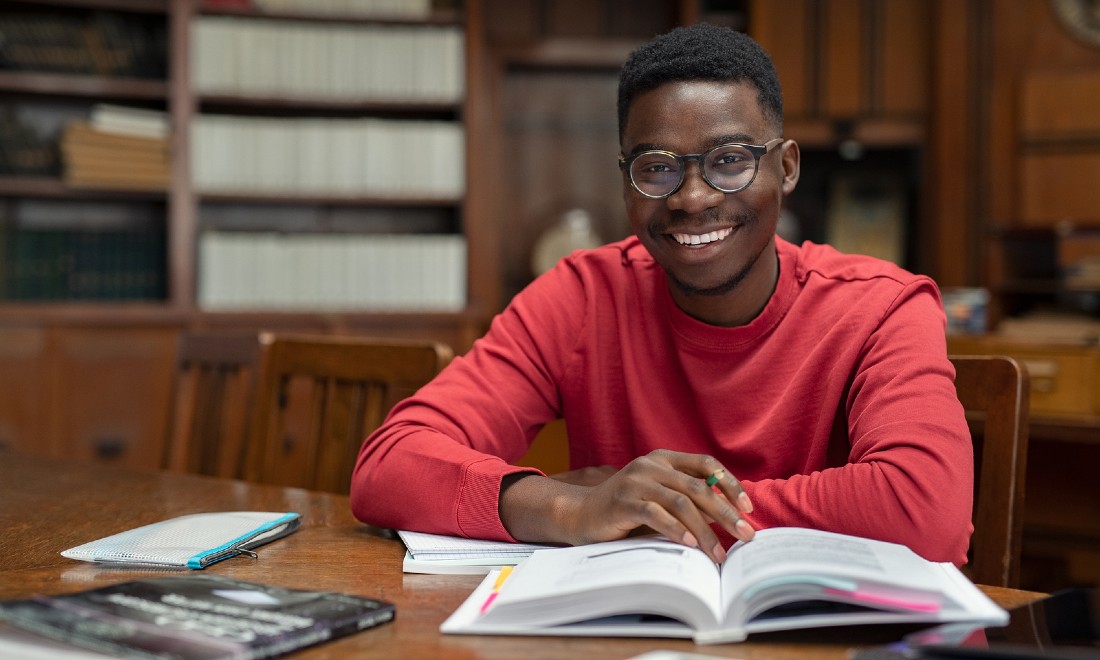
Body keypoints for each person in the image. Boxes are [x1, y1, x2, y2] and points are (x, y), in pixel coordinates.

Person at [350, 23, 972, 567]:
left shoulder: (883, 307)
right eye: (657, 168)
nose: (691, 198)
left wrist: (662, 510)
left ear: (785, 168)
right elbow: (390, 466)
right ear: (625, 180)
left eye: (730, 161)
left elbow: (926, 509)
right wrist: (572, 508)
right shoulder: (582, 295)